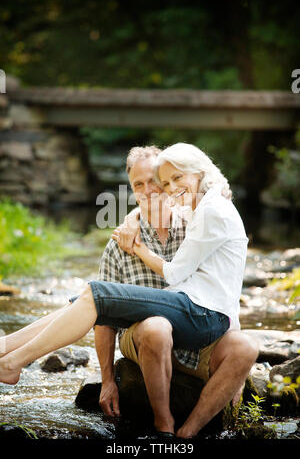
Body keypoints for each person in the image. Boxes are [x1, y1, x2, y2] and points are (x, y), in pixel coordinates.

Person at [0, 143, 258, 439]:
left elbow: (223, 275)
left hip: (194, 330)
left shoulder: (194, 218)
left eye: (155, 182)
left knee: (92, 296)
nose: (150, 190)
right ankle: (164, 428)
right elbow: (104, 321)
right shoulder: (119, 243)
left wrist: (135, 227)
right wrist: (107, 379)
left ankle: (8, 353)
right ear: (132, 190)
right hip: (147, 335)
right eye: (139, 185)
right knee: (140, 321)